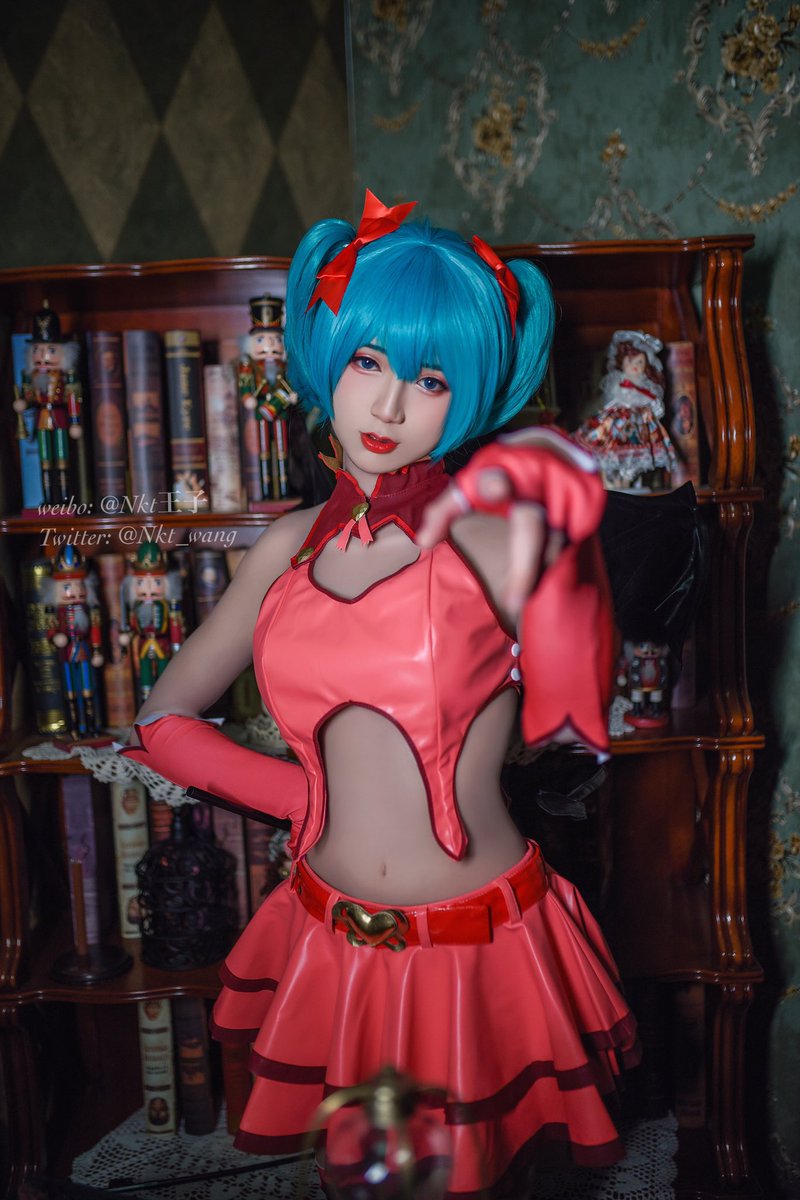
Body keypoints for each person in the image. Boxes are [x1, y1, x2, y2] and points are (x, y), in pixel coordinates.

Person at [118, 192, 639, 1197]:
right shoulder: (283, 547)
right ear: (330, 360)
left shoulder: (509, 542)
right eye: (368, 362)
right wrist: (304, 800)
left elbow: (583, 712)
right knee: (361, 1180)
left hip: (482, 946)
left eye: (430, 379)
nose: (389, 407)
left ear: (470, 394)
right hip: (330, 936)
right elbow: (162, 722)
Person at [575, 329, 677, 490]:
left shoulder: (647, 387)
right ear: (621, 362)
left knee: (636, 457)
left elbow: (654, 404)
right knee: (611, 451)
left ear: (647, 364)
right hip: (618, 423)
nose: (635, 366)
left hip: (640, 425)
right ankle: (615, 483)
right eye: (630, 361)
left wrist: (654, 408)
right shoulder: (619, 382)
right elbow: (612, 401)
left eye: (640, 362)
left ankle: (629, 482)